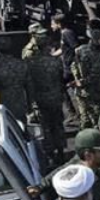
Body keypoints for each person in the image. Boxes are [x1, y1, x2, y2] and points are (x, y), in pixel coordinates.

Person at [26, 31, 68, 165]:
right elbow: (62, 79)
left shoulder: (31, 63)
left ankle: (50, 155)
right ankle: (61, 151)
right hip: (55, 98)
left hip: (40, 100)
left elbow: (29, 83)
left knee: (45, 127)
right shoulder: (55, 61)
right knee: (57, 124)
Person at [72, 28, 100, 129]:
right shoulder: (82, 51)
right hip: (93, 91)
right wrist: (80, 81)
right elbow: (75, 67)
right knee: (97, 118)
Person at [0, 36, 31, 120]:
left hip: (4, 107)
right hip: (21, 105)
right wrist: (30, 106)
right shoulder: (22, 65)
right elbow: (30, 87)